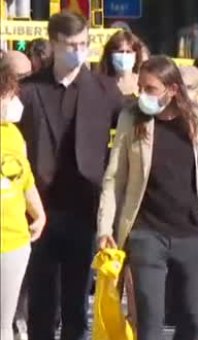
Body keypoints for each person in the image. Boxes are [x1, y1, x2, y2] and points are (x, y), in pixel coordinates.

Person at [96, 56, 198, 340]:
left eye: (151, 88)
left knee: (194, 318)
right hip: (147, 234)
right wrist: (106, 227)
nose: (143, 94)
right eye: (141, 87)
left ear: (173, 89)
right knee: (150, 321)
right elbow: (115, 177)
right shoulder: (132, 118)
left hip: (193, 235)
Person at [18, 11, 123, 339]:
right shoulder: (29, 91)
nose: (79, 50)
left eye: (84, 43)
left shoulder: (105, 90)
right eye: (71, 44)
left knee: (77, 300)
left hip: (84, 206)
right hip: (38, 210)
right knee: (42, 300)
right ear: (53, 45)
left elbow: (133, 132)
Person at [0, 60, 47, 340]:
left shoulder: (13, 134)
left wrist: (39, 214)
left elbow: (24, 178)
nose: (13, 101)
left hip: (14, 242)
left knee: (3, 325)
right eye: (8, 94)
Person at [99, 30, 146, 98]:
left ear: (136, 55)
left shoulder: (142, 82)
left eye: (128, 52)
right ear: (110, 55)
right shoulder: (101, 84)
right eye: (120, 52)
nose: (124, 55)